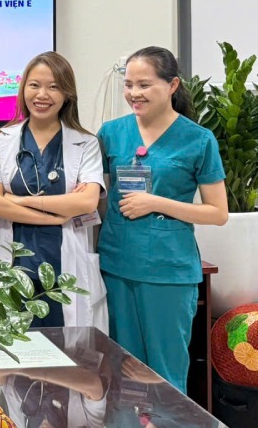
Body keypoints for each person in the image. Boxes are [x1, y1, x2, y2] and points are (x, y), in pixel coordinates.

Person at [97, 46, 228, 393]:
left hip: (167, 271)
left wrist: (157, 202)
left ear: (172, 85)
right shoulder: (111, 133)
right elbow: (99, 197)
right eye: (128, 85)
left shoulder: (198, 140)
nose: (133, 94)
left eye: (144, 85)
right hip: (118, 264)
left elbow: (218, 212)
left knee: (164, 375)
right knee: (121, 373)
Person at [0, 52, 108, 331]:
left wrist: (18, 200)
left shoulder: (84, 143)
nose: (42, 94)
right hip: (14, 260)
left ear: (67, 94)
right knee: (12, 349)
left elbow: (87, 202)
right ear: (23, 88)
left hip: (64, 261)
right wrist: (56, 214)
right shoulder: (4, 139)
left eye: (53, 86)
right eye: (34, 85)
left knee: (65, 354)